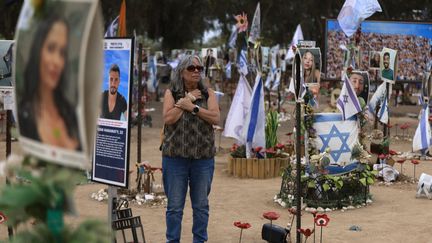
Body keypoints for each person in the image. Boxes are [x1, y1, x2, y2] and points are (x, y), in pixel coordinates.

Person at [161, 54, 220, 243]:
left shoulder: (208, 93)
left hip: (202, 159)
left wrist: (193, 108)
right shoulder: (171, 93)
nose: (196, 71)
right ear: (181, 71)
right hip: (175, 159)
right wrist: (186, 100)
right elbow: (168, 118)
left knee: (201, 206)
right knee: (175, 207)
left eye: (199, 69)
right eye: (192, 68)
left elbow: (215, 118)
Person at [18, 15, 81, 150]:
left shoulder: (69, 112)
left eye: (62, 52)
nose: (57, 61)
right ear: (37, 50)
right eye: (51, 48)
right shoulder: (25, 115)